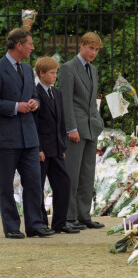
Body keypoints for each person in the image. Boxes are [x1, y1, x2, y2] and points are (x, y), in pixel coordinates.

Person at [0, 28, 54, 238]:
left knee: (33, 182)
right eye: (30, 44)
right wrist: (15, 107)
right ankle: (12, 227)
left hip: (29, 137)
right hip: (6, 138)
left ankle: (35, 224)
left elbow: (34, 96)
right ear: (19, 45)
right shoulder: (1, 67)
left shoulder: (27, 69)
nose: (33, 48)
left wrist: (35, 102)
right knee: (5, 185)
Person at [58, 32, 105, 230]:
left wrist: (97, 121)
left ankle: (83, 215)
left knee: (87, 173)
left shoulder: (93, 69)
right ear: (82, 45)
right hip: (76, 128)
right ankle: (69, 217)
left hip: (91, 127)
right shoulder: (68, 68)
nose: (93, 52)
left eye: (96, 50)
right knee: (72, 173)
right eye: (91, 48)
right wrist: (71, 128)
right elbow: (65, 101)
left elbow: (92, 101)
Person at [34, 57, 80, 234]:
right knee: (38, 186)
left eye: (56, 72)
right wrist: (38, 148)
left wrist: (62, 147)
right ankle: (41, 223)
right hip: (42, 150)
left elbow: (61, 124)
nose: (55, 76)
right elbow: (34, 124)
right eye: (52, 73)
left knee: (64, 183)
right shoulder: (35, 93)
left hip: (56, 149)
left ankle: (59, 223)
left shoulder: (57, 94)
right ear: (42, 74)